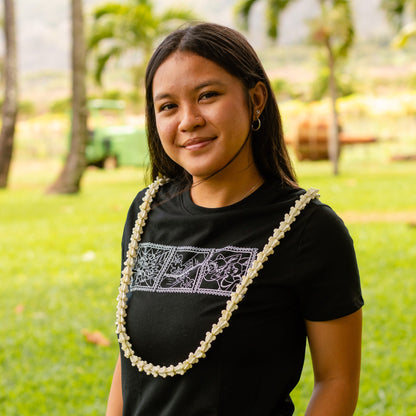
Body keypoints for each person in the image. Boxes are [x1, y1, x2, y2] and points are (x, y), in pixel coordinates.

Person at [106, 22, 364, 416]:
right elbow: (129, 361)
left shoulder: (308, 230)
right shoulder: (146, 212)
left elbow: (337, 380)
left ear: (255, 99)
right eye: (167, 106)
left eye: (207, 95)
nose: (188, 120)